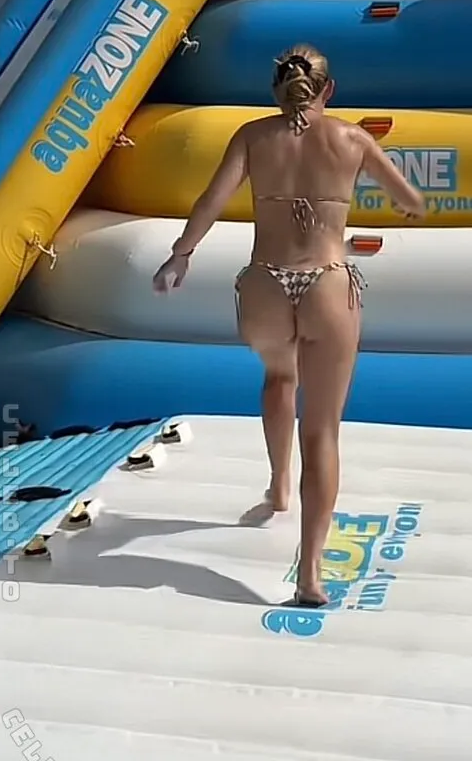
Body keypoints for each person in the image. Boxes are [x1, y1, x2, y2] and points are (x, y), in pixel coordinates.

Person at [153, 44, 425, 607]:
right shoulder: (352, 139)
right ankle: (311, 574)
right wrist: (400, 205)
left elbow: (211, 200)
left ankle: (279, 487)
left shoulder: (253, 136)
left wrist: (180, 256)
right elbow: (413, 201)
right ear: (329, 90)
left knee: (280, 378)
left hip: (265, 286)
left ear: (276, 89)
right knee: (321, 431)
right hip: (327, 283)